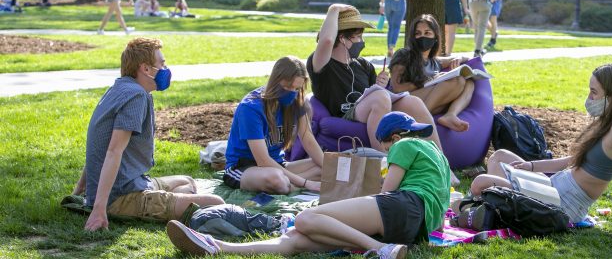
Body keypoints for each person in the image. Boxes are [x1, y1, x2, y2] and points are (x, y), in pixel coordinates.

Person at [166, 111, 451, 259]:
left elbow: (388, 191)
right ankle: (219, 248)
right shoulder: (437, 154)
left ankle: (378, 249)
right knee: (297, 239)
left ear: (391, 137)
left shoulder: (404, 144)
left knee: (306, 218)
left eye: (385, 146)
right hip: (415, 228)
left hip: (404, 209)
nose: (387, 151)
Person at [470, 64, 612, 233]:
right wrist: (531, 166)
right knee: (499, 157)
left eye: (594, 93)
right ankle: (497, 206)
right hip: (553, 186)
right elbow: (570, 161)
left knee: (481, 182)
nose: (589, 98)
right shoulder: (607, 119)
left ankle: (495, 207)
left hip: (563, 204)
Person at [72, 38, 224, 231]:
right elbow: (113, 151)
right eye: (162, 64)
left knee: (188, 182)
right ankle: (152, 205)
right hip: (120, 196)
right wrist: (98, 209)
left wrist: (81, 190)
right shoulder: (136, 96)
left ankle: (165, 202)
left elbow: (98, 145)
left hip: (131, 183)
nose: (165, 69)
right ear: (145, 69)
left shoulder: (119, 88)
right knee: (215, 202)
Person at [307, 4, 459, 185]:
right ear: (342, 38)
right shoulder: (323, 64)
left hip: (370, 108)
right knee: (380, 97)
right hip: (346, 115)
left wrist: (380, 86)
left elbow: (376, 97)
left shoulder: (363, 65)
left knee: (413, 102)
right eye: (357, 37)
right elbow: (325, 42)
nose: (361, 42)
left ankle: (442, 166)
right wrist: (333, 10)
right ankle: (386, 165)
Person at [223, 56, 324, 194]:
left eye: (297, 88)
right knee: (276, 180)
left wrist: (329, 168)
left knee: (322, 167)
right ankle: (295, 186)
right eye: (288, 86)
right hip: (245, 167)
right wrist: (307, 183)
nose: (292, 92)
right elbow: (263, 161)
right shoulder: (251, 107)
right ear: (276, 80)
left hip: (278, 165)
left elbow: (308, 139)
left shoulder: (297, 101)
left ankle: (291, 186)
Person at [389, 14, 473, 132]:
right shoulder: (403, 55)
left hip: (426, 101)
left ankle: (450, 114)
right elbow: (397, 88)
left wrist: (459, 58)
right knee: (457, 81)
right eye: (418, 33)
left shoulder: (434, 61)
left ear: (435, 38)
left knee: (469, 82)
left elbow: (462, 57)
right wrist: (429, 80)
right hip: (403, 102)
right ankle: (422, 119)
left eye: (427, 33)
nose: (422, 37)